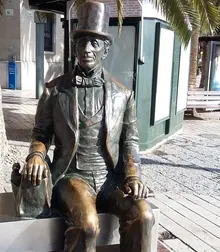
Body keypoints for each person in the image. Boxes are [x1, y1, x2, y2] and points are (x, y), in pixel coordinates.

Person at [24, 1, 154, 251]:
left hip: (110, 179)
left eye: (94, 43)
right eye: (81, 42)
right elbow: (41, 133)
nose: (87, 49)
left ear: (106, 50)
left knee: (144, 216)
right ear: (74, 47)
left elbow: (130, 141)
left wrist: (133, 176)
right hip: (72, 177)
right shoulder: (54, 91)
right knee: (88, 226)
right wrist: (37, 155)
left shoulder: (123, 94)